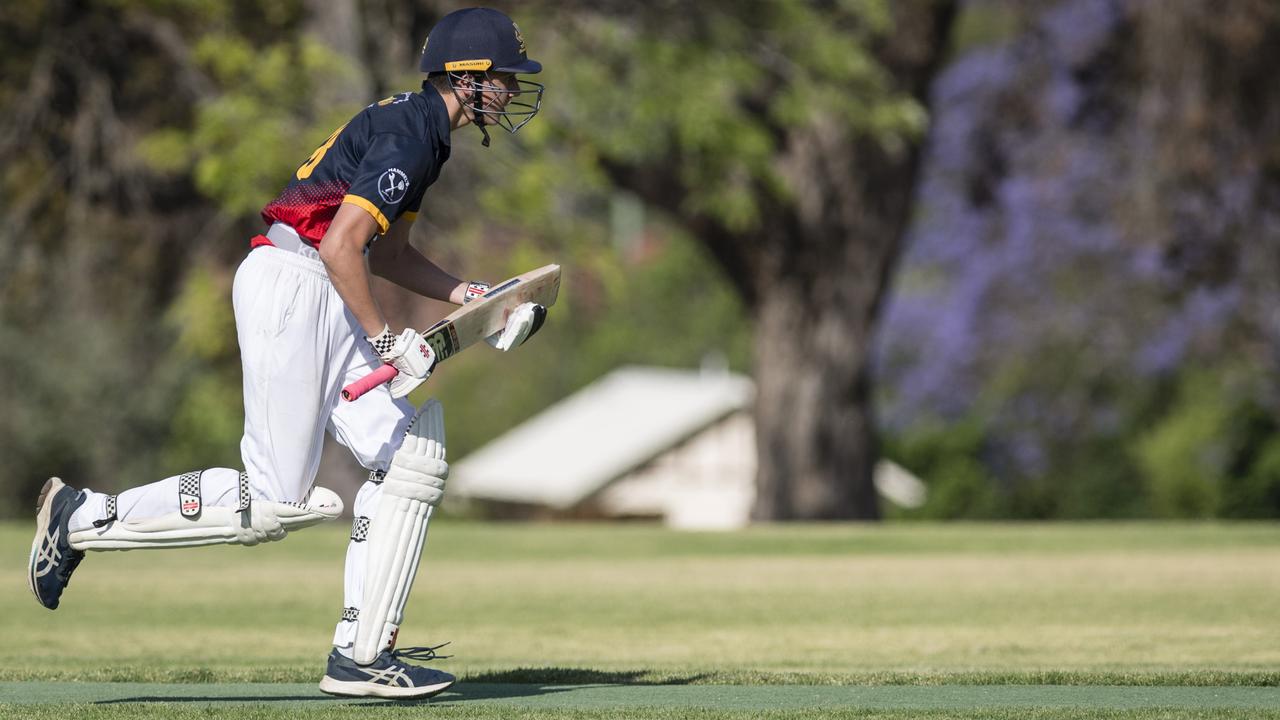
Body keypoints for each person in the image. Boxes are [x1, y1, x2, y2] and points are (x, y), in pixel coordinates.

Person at [26, 7, 547, 701]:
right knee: (276, 502)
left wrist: (465, 294)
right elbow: (340, 249)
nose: (512, 89)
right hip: (297, 286)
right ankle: (83, 517)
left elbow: (382, 252)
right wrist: (389, 338)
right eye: (504, 76)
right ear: (466, 76)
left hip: (320, 287)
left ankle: (362, 656)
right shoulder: (410, 133)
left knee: (411, 457)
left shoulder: (421, 132)